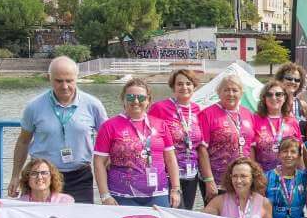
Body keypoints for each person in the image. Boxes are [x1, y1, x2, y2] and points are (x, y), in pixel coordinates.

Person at [11, 56, 108, 203]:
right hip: (42, 177)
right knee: (41, 217)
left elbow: (107, 141)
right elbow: (23, 142)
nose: (64, 86)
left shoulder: (93, 105)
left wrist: (107, 182)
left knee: (80, 217)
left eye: (69, 81)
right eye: (59, 81)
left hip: (80, 178)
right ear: (49, 78)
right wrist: (15, 176)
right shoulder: (34, 106)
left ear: (77, 78)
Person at [93, 77, 181, 207]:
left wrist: (175, 189)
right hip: (122, 195)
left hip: (158, 194)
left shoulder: (160, 124)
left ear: (148, 100)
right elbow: (99, 162)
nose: (135, 101)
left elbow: (170, 159)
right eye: (130, 97)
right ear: (123, 99)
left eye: (141, 97)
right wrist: (105, 195)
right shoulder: (109, 126)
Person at [148, 69, 205, 209]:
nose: (184, 87)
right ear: (173, 87)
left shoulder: (198, 110)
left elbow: (200, 145)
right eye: (179, 84)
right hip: (167, 174)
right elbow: (146, 136)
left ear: (194, 86)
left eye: (188, 83)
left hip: (191, 174)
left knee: (186, 214)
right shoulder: (159, 108)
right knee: (174, 212)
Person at [197, 74, 257, 202]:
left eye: (235, 90)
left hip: (243, 180)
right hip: (218, 180)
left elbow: (251, 147)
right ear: (219, 93)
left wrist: (252, 175)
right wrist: (209, 180)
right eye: (226, 90)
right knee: (217, 214)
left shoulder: (247, 113)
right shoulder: (207, 114)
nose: (231, 94)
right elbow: (202, 150)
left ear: (241, 93)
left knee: (241, 213)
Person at [252, 80, 304, 175]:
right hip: (263, 176)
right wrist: (255, 175)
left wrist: (301, 175)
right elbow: (251, 151)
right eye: (269, 95)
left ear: (284, 98)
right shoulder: (255, 119)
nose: (274, 97)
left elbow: (299, 151)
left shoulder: (292, 121)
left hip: (289, 176)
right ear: (264, 98)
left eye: (278, 94)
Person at [275, 63, 307, 137]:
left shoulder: (302, 105)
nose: (293, 82)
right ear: (280, 79)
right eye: (289, 78)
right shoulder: (273, 103)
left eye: (297, 80)